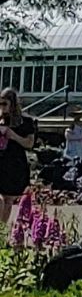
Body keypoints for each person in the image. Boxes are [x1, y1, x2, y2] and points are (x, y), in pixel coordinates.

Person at [0, 88, 38, 226]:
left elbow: (29, 143)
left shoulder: (25, 121)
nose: (2, 107)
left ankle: (2, 231)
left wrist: (13, 135)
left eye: (4, 104)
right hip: (1, 159)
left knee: (8, 198)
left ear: (13, 104)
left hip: (13, 162)